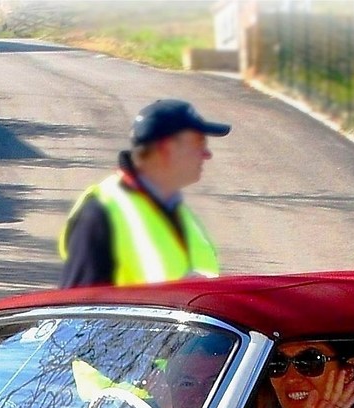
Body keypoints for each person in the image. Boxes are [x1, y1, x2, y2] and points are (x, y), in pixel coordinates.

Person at [58, 99, 229, 287]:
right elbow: (79, 310)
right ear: (167, 149)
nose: (207, 154)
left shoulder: (177, 210)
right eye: (199, 143)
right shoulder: (100, 213)